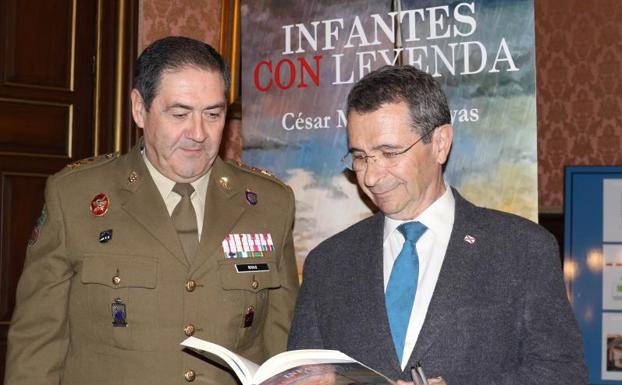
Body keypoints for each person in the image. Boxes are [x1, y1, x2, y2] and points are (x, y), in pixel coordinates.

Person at [5, 36, 299, 385]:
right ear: (139, 109)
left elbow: (283, 354)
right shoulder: (74, 198)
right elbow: (37, 350)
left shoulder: (269, 204)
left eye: (213, 114)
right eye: (179, 113)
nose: (198, 133)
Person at [288, 65, 587, 385]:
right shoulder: (327, 264)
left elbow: (563, 374)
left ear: (441, 143)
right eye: (360, 157)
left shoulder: (523, 249)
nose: (370, 177)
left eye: (389, 153)